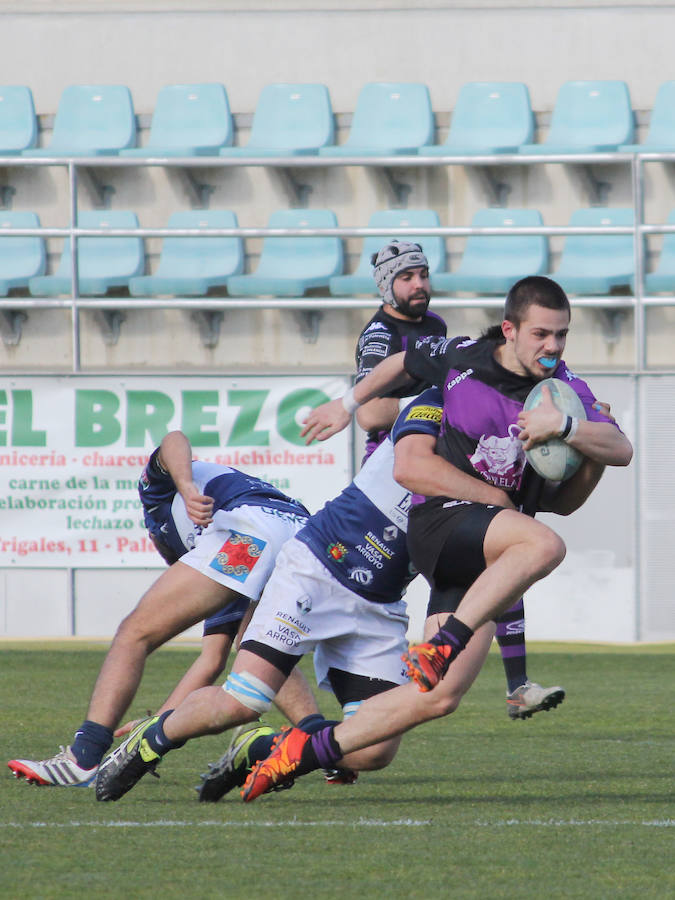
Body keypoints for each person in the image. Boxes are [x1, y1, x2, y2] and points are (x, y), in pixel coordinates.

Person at [239, 274, 633, 801]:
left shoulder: (561, 391)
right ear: (510, 330)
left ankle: (299, 752)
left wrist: (567, 428)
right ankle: (441, 646)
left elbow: (615, 452)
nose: (553, 346)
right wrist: (348, 405)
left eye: (562, 334)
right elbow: (402, 363)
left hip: (487, 548)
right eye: (541, 334)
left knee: (438, 698)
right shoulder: (463, 358)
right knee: (543, 545)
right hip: (445, 523)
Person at [93, 389, 461, 802]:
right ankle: (149, 740)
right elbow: (383, 408)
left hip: (381, 602)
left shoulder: (506, 461)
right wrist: (352, 401)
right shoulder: (441, 400)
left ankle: (260, 747)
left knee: (372, 750)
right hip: (318, 566)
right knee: (241, 703)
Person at [7, 430, 320, 787]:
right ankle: (322, 745)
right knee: (258, 645)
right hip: (304, 537)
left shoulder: (159, 496)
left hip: (250, 532)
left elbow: (173, 439)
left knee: (135, 632)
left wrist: (185, 487)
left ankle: (84, 757)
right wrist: (155, 726)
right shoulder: (216, 523)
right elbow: (210, 660)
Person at [358, 241, 564, 721]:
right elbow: (371, 409)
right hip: (393, 472)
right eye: (407, 277)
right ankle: (356, 698)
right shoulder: (379, 334)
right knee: (368, 593)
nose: (420, 285)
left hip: (436, 458)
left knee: (503, 549)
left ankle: (507, 683)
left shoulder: (435, 328)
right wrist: (438, 405)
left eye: (424, 274)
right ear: (388, 284)